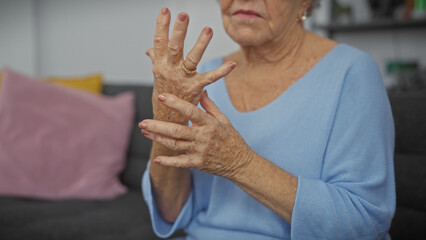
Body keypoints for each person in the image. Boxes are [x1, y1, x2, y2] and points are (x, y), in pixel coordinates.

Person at [139, 0, 396, 239]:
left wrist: (239, 163)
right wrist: (169, 123)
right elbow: (171, 211)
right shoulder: (203, 78)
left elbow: (364, 224)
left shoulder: (352, 72)